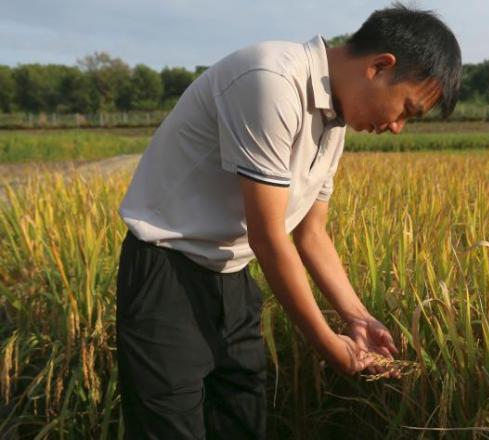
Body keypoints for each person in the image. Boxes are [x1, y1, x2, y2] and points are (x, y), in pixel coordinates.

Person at [115, 2, 461, 439]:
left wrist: (357, 319)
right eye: (407, 110)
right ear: (379, 66)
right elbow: (268, 237)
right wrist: (328, 345)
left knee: (242, 423)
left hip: (233, 280)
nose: (397, 127)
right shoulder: (272, 80)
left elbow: (312, 234)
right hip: (166, 278)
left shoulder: (333, 118)